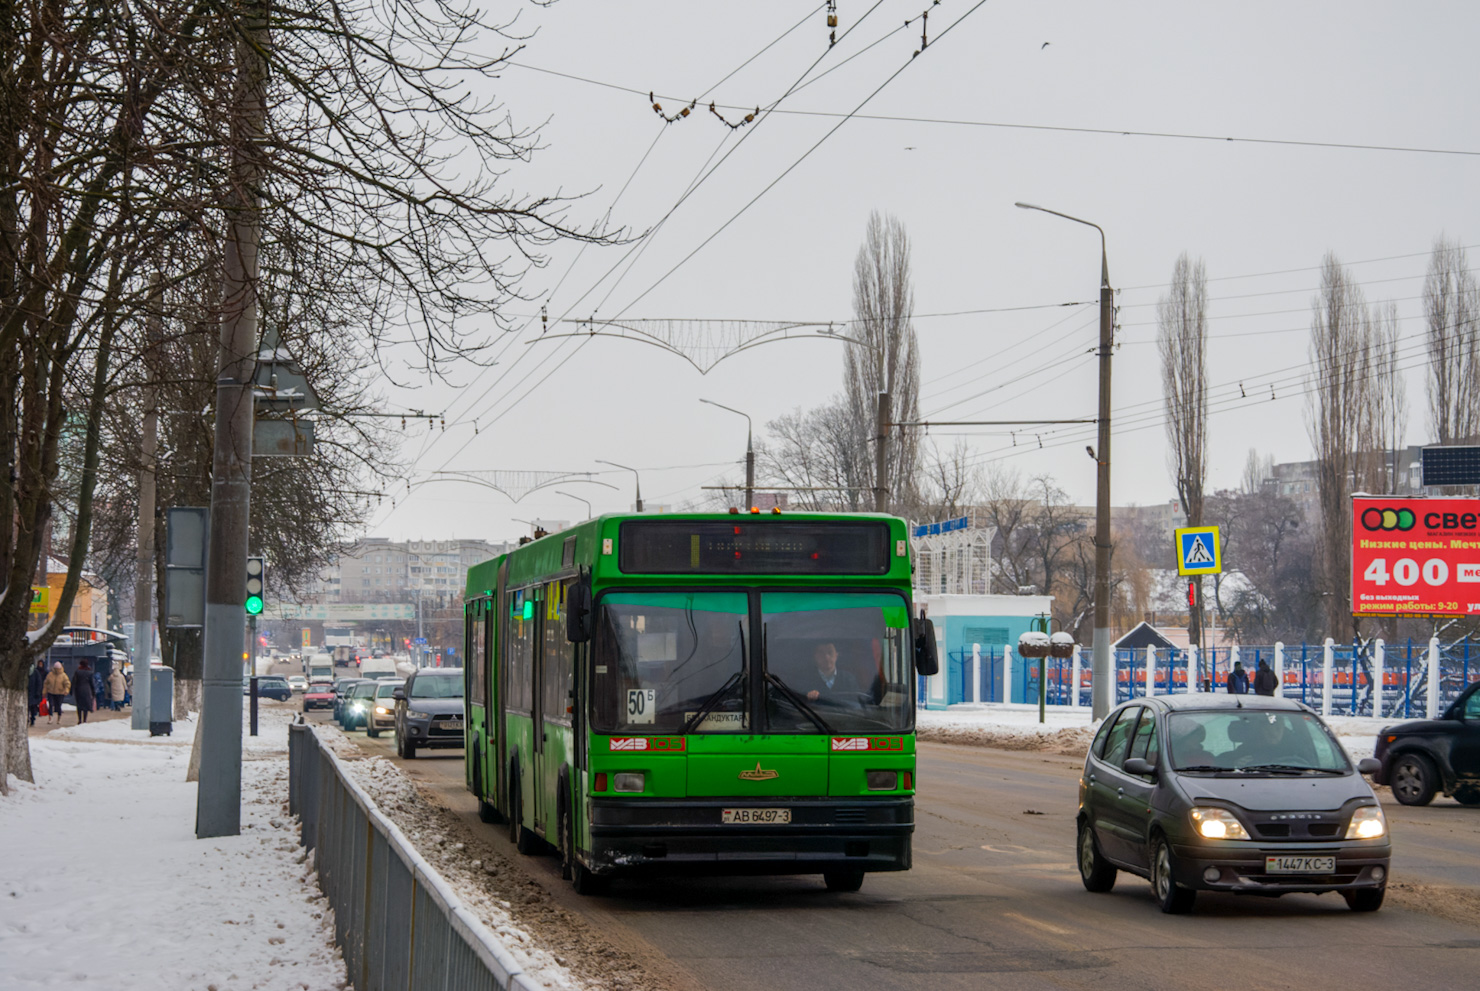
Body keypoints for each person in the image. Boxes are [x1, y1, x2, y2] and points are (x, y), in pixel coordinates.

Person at [799, 642, 862, 706]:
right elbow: (799, 704)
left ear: (836, 655)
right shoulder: (805, 680)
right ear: (815, 657)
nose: (826, 657)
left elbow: (856, 704)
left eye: (830, 652)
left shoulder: (849, 679)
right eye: (821, 653)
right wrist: (808, 697)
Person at [43, 662, 70, 726]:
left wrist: (66, 690)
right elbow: (46, 683)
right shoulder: (50, 674)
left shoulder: (63, 675)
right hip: (51, 692)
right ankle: (50, 718)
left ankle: (59, 718)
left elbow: (67, 683)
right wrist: (44, 691)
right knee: (51, 705)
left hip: (60, 692)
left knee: (58, 705)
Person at [72, 659, 96, 724]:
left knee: (79, 705)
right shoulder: (90, 672)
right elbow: (92, 683)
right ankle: (84, 720)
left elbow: (74, 681)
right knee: (85, 705)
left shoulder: (77, 672)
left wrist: (71, 690)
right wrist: (93, 692)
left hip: (78, 690)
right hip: (87, 690)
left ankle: (79, 719)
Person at [27, 657, 47, 726]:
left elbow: (39, 683)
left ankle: (32, 719)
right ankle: (27, 719)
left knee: (32, 708)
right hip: (27, 693)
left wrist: (38, 692)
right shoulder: (25, 672)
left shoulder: (35, 672)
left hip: (34, 693)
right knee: (27, 707)